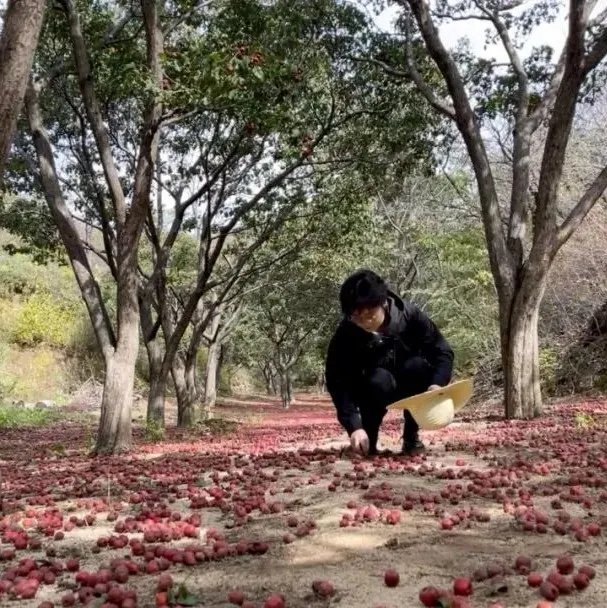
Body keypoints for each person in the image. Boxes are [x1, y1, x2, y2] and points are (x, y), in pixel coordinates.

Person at [325, 269, 454, 456]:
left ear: (383, 303)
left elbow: (442, 351)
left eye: (369, 315)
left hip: (411, 383)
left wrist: (437, 384)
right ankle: (369, 439)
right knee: (378, 379)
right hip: (372, 388)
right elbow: (337, 381)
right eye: (356, 317)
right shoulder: (346, 333)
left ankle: (411, 438)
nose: (364, 322)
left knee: (417, 367)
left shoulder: (411, 316)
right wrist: (354, 426)